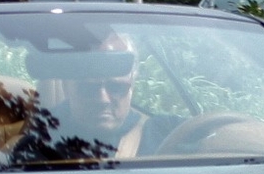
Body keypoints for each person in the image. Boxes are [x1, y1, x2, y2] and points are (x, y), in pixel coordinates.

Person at [19, 29, 177, 162]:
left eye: (116, 88)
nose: (103, 99)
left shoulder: (166, 132)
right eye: (88, 89)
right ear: (66, 87)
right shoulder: (40, 142)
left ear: (132, 84)